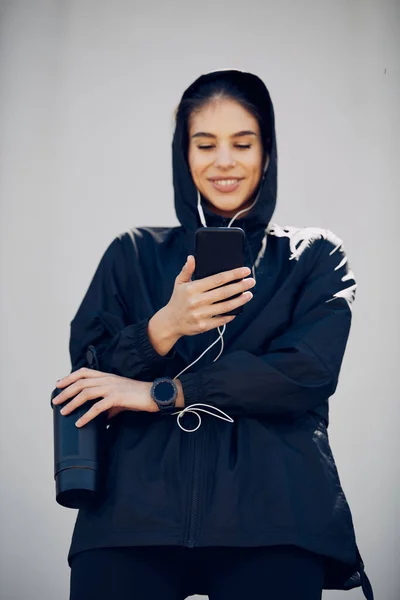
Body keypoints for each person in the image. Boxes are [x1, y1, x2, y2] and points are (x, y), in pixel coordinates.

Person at [53, 69, 374, 600]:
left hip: (274, 521)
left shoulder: (315, 256)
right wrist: (164, 327)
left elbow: (306, 373)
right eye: (205, 144)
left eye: (242, 143)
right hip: (131, 521)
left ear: (267, 153)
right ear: (184, 155)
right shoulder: (131, 252)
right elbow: (87, 379)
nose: (224, 160)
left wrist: (165, 393)